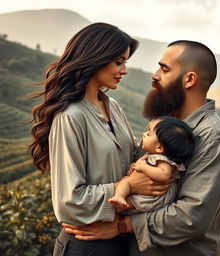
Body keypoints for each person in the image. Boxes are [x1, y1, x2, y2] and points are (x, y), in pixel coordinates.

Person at [63, 40, 220, 256]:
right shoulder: (162, 123)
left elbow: (191, 216)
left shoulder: (213, 139)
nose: (155, 75)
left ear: (189, 79)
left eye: (164, 69)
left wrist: (122, 225)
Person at [28, 23, 172, 256]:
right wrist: (127, 186)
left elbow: (133, 154)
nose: (124, 70)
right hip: (87, 244)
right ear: (95, 58)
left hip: (118, 238)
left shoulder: (112, 106)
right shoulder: (70, 117)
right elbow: (69, 201)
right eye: (118, 62)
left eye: (125, 62)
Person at [108, 116, 195, 213]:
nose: (144, 134)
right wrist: (135, 167)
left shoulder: (163, 161)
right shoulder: (151, 155)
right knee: (125, 180)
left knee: (126, 182)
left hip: (153, 197)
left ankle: (120, 199)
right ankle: (121, 200)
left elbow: (164, 175)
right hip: (147, 193)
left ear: (159, 147)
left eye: (148, 134)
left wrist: (143, 167)